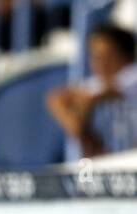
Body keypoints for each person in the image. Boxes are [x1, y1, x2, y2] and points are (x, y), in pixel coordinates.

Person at [46, 23, 137, 157]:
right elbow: (56, 98)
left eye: (107, 56)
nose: (100, 63)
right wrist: (85, 135)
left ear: (126, 55)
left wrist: (86, 104)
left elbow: (105, 93)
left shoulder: (132, 73)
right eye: (95, 56)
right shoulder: (98, 83)